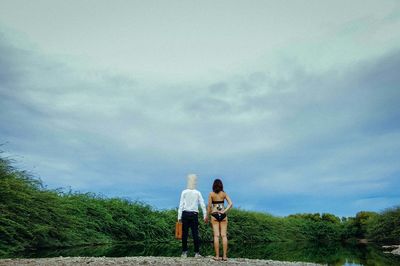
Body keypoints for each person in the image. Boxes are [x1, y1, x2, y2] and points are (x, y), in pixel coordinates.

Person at [178, 174, 208, 258]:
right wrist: (205, 215)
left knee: (184, 234)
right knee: (195, 234)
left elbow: (181, 204)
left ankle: (184, 253)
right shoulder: (197, 192)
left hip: (185, 214)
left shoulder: (184, 192)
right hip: (194, 214)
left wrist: (179, 217)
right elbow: (202, 204)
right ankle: (196, 253)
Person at [207, 178, 233, 261]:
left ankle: (217, 256)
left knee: (216, 236)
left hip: (214, 214)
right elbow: (231, 204)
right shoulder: (224, 194)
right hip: (223, 215)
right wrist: (224, 211)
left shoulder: (211, 194)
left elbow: (209, 206)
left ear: (213, 186)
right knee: (224, 235)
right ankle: (225, 256)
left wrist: (207, 216)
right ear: (221, 185)